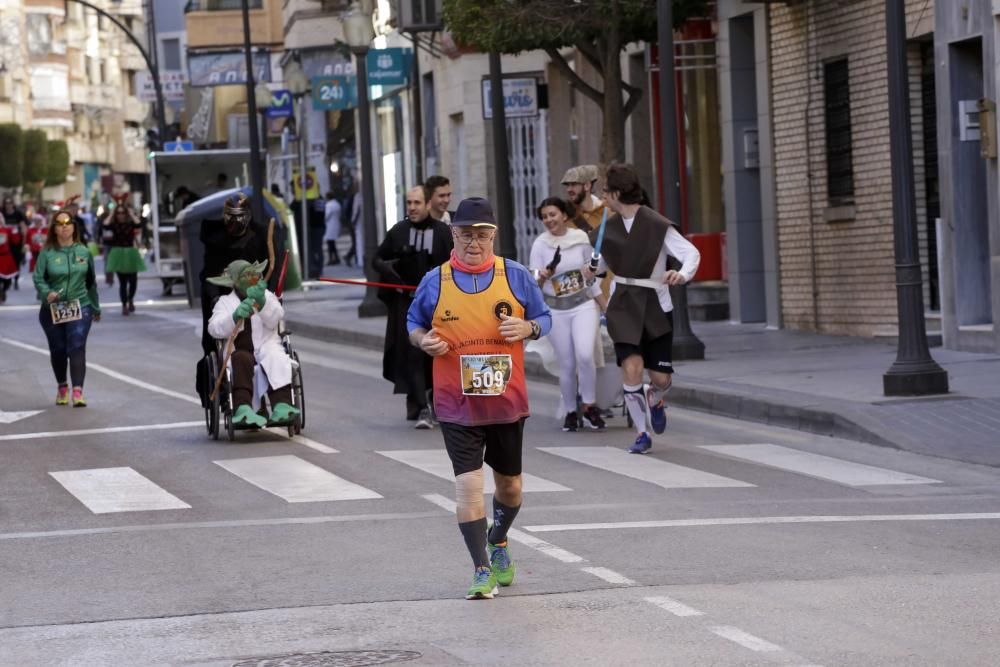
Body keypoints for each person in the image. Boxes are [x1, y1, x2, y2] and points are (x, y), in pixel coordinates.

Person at [407, 197, 551, 600]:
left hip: (506, 401)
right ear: (453, 234)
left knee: (511, 489)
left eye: (482, 234)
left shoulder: (516, 276)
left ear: (494, 236)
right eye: (465, 234)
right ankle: (481, 569)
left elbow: (545, 318)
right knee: (469, 488)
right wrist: (424, 341)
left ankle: (499, 539)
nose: (474, 242)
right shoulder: (436, 281)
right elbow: (414, 323)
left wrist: (527, 328)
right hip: (456, 402)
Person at [581, 163, 700, 454]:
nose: (604, 197)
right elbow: (600, 269)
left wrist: (681, 274)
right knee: (631, 368)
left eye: (607, 192)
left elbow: (690, 253)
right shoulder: (605, 229)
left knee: (660, 377)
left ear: (618, 193)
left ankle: (656, 397)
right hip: (623, 306)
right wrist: (590, 271)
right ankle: (642, 433)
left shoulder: (656, 224)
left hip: (656, 303)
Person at [374, 186, 452, 429]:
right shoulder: (398, 231)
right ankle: (422, 408)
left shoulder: (443, 232)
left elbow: (455, 263)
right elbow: (377, 258)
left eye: (417, 202)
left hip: (439, 305)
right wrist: (392, 275)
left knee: (438, 354)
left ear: (428, 204)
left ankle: (436, 402)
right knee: (413, 354)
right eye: (409, 202)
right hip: (407, 303)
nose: (412, 207)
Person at [529, 197, 607, 432]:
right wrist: (542, 275)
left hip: (583, 305)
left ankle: (590, 405)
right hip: (555, 309)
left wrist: (603, 304)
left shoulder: (580, 239)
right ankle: (571, 411)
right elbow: (533, 280)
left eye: (552, 214)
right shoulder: (541, 244)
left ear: (564, 214)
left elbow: (595, 271)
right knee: (567, 362)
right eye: (544, 217)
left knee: (585, 354)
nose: (549, 220)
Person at [207, 259, 300, 427]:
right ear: (234, 282)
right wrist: (234, 317)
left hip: (267, 346)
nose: (252, 278)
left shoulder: (265, 295)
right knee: (241, 359)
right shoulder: (225, 303)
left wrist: (263, 304)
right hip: (241, 351)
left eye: (253, 274)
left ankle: (283, 405)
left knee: (275, 357)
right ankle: (243, 408)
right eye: (246, 275)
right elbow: (214, 328)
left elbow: (277, 317)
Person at [32, 208, 102, 407]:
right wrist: (47, 293)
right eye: (59, 225)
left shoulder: (84, 252)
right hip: (52, 309)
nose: (64, 228)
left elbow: (91, 282)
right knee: (59, 349)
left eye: (67, 224)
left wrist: (96, 308)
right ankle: (62, 386)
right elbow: (38, 278)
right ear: (53, 229)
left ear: (74, 227)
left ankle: (78, 392)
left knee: (77, 345)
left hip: (81, 305)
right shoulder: (46, 254)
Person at [199, 193, 270, 355]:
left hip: (255, 292)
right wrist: (215, 299)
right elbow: (210, 274)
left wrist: (265, 294)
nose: (234, 223)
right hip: (224, 294)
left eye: (239, 218)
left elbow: (269, 269)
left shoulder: (259, 238)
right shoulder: (215, 240)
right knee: (216, 337)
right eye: (231, 217)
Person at [102, 195, 147, 316]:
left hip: (130, 252)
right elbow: (105, 224)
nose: (120, 215)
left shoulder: (130, 223)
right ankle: (124, 305)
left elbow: (138, 224)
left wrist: (131, 213)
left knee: (133, 281)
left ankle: (130, 299)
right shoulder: (113, 224)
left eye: (123, 213)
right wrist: (113, 211)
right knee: (122, 283)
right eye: (119, 213)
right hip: (118, 253)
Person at [561, 165, 609, 233]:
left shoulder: (607, 213)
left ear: (587, 186)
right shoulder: (564, 215)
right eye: (567, 185)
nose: (568, 189)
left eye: (573, 184)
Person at [1, 197, 27, 290]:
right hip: (4, 243)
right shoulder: (2, 214)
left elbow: (23, 228)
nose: (8, 205)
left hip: (16, 242)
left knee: (16, 261)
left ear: (13, 204)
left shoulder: (18, 214)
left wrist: (24, 242)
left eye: (10, 203)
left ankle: (15, 280)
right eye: (6, 203)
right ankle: (4, 279)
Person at [323, 192, 342, 266]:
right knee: (332, 243)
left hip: (329, 226)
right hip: (336, 224)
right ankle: (336, 258)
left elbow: (326, 216)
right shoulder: (337, 204)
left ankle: (331, 259)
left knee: (330, 244)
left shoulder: (329, 205)